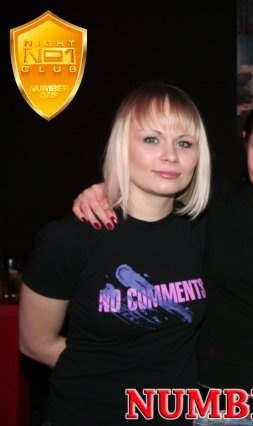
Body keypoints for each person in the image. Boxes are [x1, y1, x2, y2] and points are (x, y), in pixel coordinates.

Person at [71, 90, 253, 425]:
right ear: (245, 142)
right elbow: (150, 187)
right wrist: (102, 192)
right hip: (204, 402)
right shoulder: (212, 200)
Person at [19, 82, 212, 425]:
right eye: (151, 139)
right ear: (123, 146)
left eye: (184, 143)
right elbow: (35, 343)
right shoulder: (70, 238)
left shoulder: (204, 230)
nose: (171, 155)